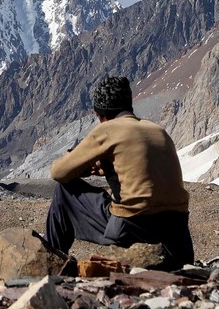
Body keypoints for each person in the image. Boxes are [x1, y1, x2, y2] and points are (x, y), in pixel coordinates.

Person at [42, 75, 194, 268]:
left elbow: (58, 172)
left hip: (135, 226)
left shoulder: (108, 129)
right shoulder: (158, 130)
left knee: (64, 191)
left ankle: (51, 263)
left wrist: (85, 167)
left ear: (100, 115)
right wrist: (107, 169)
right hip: (177, 231)